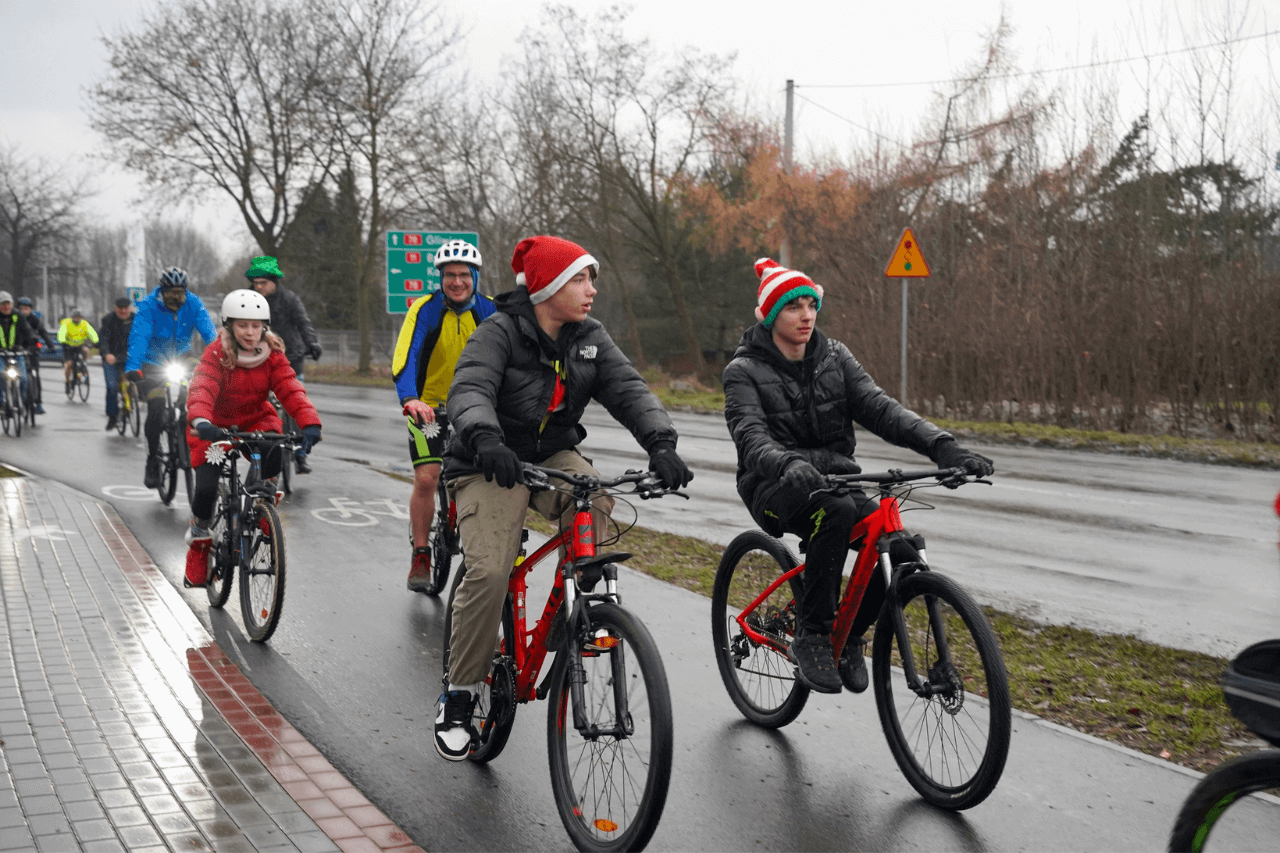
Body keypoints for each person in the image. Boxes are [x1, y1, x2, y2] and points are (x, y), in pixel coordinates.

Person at [434, 235, 694, 761]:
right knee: (489, 570)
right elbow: (469, 388)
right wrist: (485, 438)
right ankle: (459, 696)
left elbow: (630, 391)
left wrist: (662, 444)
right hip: (488, 460)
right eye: (580, 278)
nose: (591, 289)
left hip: (552, 455)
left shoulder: (589, 338)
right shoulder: (498, 332)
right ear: (549, 286)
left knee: (596, 498)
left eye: (591, 278)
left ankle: (568, 613)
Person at [722, 258, 995, 695]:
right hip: (772, 482)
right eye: (794, 306)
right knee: (835, 512)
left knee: (901, 549)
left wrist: (944, 446)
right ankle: (813, 637)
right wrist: (787, 463)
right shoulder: (743, 371)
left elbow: (882, 409)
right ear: (772, 315)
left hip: (837, 479)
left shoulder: (835, 358)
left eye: (812, 304)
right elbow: (750, 435)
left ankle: (849, 637)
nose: (807, 314)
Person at [182, 289, 322, 586]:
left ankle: (263, 506)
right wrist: (202, 420)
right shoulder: (217, 352)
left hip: (255, 419)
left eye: (256, 325)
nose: (250, 332)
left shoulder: (272, 354)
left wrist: (309, 423)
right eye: (243, 325)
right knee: (206, 487)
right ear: (229, 325)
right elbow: (202, 387)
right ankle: (199, 543)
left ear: (265, 326)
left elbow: (290, 388)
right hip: (213, 425)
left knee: (274, 450)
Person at [392, 239, 496, 592]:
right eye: (449, 275)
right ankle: (422, 553)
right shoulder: (425, 310)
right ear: (440, 278)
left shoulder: (490, 312)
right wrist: (410, 398)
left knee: (485, 478)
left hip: (477, 406)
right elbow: (405, 355)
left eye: (464, 275)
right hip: (430, 405)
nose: (456, 282)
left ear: (475, 277)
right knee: (427, 477)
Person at [125, 268, 218, 490]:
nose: (176, 298)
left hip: (182, 357)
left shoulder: (193, 304)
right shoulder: (148, 306)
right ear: (162, 292)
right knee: (156, 407)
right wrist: (133, 367)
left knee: (195, 394)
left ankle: (185, 426)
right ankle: (152, 461)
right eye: (171, 293)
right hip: (153, 362)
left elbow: (209, 332)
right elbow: (139, 337)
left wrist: (220, 358)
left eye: (180, 293)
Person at [245, 256, 323, 472]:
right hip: (259, 359)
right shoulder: (248, 300)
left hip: (292, 358)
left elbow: (303, 323)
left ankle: (300, 453)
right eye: (256, 283)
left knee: (296, 401)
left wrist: (312, 343)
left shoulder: (290, 300)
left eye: (263, 283)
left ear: (275, 282)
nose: (258, 287)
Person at [99, 297, 135, 430]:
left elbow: (145, 337)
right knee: (112, 387)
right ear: (116, 309)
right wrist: (106, 353)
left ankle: (133, 401)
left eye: (126, 308)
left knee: (139, 383)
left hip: (131, 357)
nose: (124, 311)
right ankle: (112, 417)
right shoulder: (108, 320)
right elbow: (103, 340)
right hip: (112, 358)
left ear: (130, 308)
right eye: (121, 309)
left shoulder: (137, 320)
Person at [16, 297, 53, 414]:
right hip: (16, 350)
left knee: (35, 375)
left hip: (32, 349)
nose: (25, 311)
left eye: (27, 308)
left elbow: (43, 332)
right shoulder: (14, 319)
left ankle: (39, 403)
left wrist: (50, 345)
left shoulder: (34, 320)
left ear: (30, 309)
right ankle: (15, 396)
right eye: (22, 308)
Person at [0, 292, 34, 410]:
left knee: (23, 378)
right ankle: (1, 403)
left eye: (8, 304)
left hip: (17, 353)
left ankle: (22, 399)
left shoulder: (18, 316)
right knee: (1, 375)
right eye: (3, 304)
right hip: (0, 354)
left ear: (12, 304)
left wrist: (29, 346)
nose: (6, 307)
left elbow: (27, 332)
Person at [58, 308, 99, 390]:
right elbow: (62, 333)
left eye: (79, 317)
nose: (77, 319)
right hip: (69, 346)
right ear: (72, 317)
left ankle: (83, 364)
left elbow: (92, 333)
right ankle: (67, 382)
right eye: (76, 317)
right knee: (69, 364)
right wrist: (63, 341)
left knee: (86, 350)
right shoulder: (66, 323)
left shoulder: (84, 324)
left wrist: (95, 341)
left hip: (79, 345)